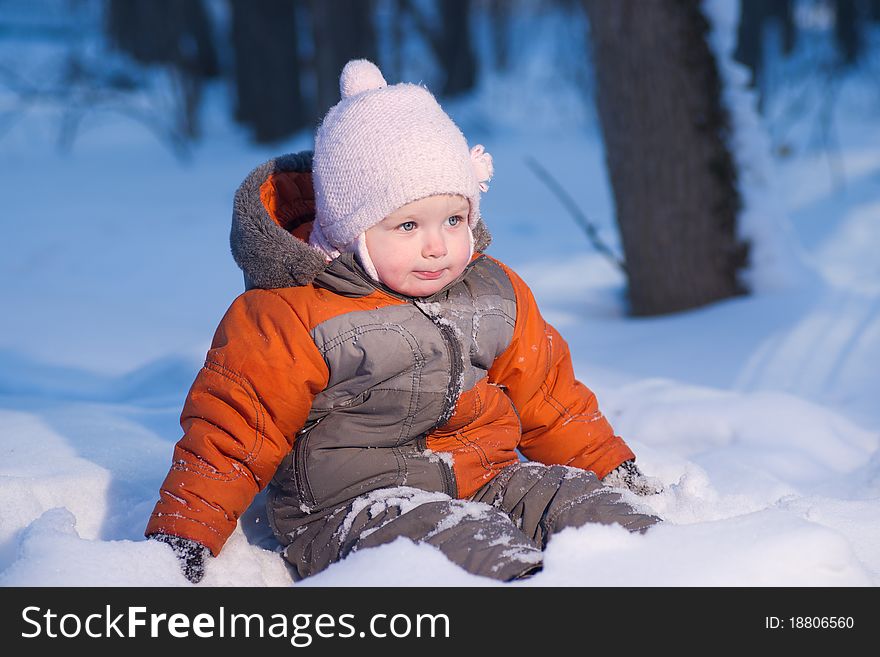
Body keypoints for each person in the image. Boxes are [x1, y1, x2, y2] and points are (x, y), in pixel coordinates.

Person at [145, 59, 662, 584]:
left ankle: (673, 570)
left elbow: (550, 397)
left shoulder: (493, 291)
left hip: (486, 478)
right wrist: (182, 534)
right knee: (472, 548)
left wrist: (608, 467)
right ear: (351, 230)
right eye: (408, 225)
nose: (437, 246)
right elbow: (235, 429)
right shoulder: (291, 313)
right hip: (351, 510)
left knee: (592, 513)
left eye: (453, 220)